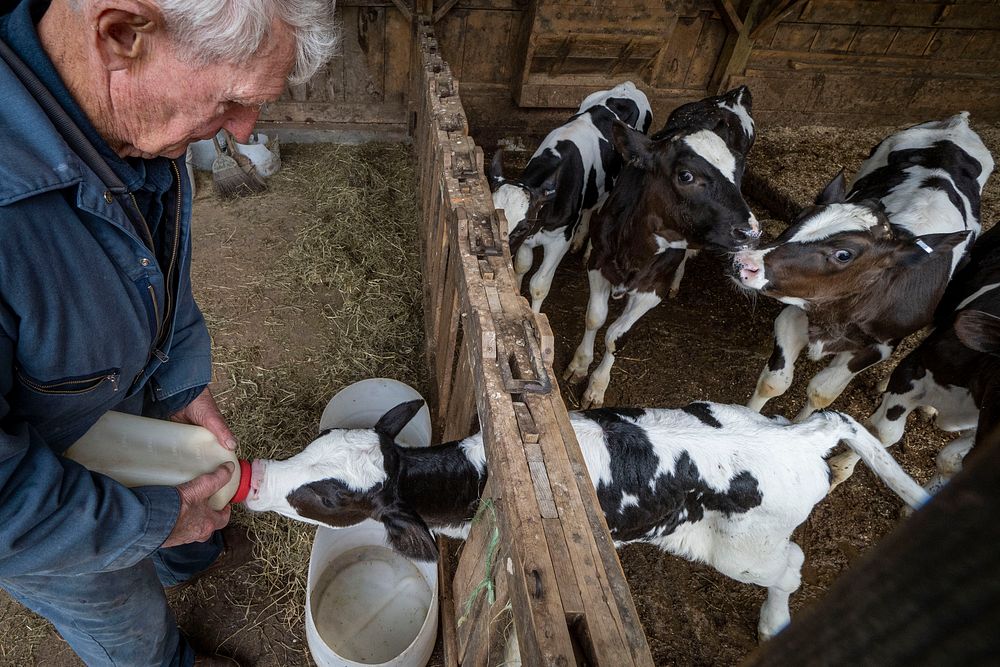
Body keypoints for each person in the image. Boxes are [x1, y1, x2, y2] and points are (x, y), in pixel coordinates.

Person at [0, 0, 336, 664]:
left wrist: (181, 380)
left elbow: (153, 266)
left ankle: (181, 557)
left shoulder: (125, 123)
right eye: (234, 100)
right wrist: (152, 520)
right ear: (121, 34)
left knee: (194, 497)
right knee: (122, 615)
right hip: (44, 509)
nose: (243, 132)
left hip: (117, 403)